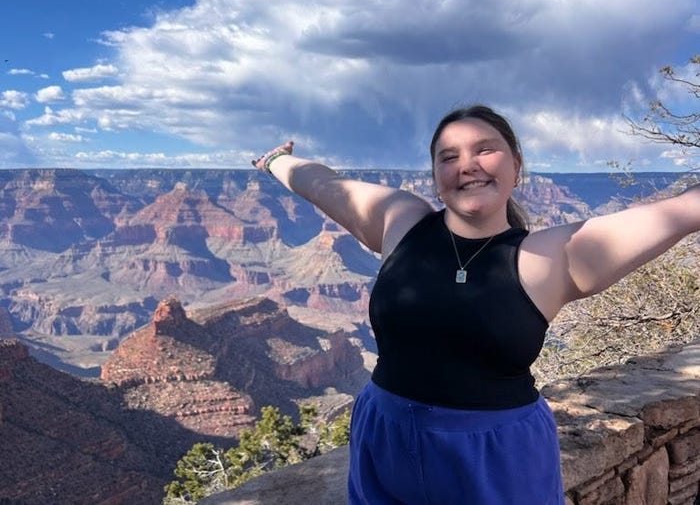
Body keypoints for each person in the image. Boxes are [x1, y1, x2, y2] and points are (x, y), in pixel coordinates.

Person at [251, 105, 700, 504]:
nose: (467, 165)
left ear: (516, 166)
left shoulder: (551, 256)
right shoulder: (400, 220)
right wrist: (278, 161)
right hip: (383, 436)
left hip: (494, 457)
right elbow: (323, 184)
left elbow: (678, 212)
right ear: (435, 177)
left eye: (485, 150)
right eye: (449, 157)